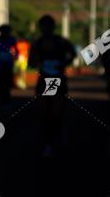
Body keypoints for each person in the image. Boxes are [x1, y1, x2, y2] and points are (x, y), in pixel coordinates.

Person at [29, 15, 76, 158]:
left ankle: (51, 141)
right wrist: (38, 64)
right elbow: (31, 60)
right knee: (44, 113)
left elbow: (73, 54)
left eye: (48, 26)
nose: (46, 29)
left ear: (53, 27)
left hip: (56, 79)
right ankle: (50, 138)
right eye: (43, 26)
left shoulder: (61, 41)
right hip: (44, 78)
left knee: (54, 113)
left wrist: (63, 64)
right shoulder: (38, 43)